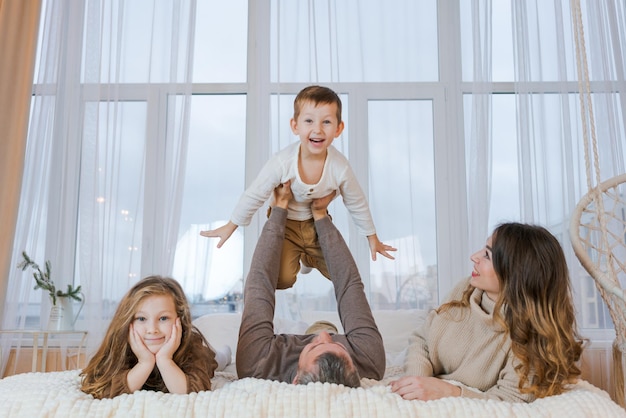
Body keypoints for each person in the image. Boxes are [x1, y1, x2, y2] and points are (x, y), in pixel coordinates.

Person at [200, 85, 396, 289]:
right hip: (287, 225)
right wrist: (231, 225)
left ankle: (309, 258)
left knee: (340, 274)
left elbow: (356, 201)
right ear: (295, 126)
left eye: (326, 122)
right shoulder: (283, 162)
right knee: (282, 281)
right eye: (309, 121)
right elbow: (255, 193)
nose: (318, 129)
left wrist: (372, 237)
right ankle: (299, 256)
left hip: (317, 224)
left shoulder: (340, 166)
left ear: (338, 129)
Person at [391, 223, 585, 403]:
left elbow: (510, 400)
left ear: (516, 273)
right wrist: (416, 382)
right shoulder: (464, 290)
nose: (474, 256)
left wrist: (450, 392)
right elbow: (422, 340)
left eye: (487, 255)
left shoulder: (533, 337)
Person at [236, 181, 386, 386]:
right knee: (325, 326)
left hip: (280, 347)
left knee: (314, 324)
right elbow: (348, 284)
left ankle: (304, 254)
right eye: (338, 346)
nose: (324, 336)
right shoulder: (369, 360)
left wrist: (279, 208)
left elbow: (260, 283)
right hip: (340, 332)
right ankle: (308, 255)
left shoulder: (256, 363)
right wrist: (321, 215)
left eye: (315, 346)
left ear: (296, 379)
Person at [80, 276, 218, 399]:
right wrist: (144, 362)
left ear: (180, 320)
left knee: (218, 359)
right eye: (141, 318)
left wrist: (165, 359)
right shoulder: (120, 345)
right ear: (128, 322)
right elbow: (101, 389)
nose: (152, 330)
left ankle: (224, 354)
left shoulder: (191, 345)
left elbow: (194, 392)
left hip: (207, 357)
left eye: (163, 318)